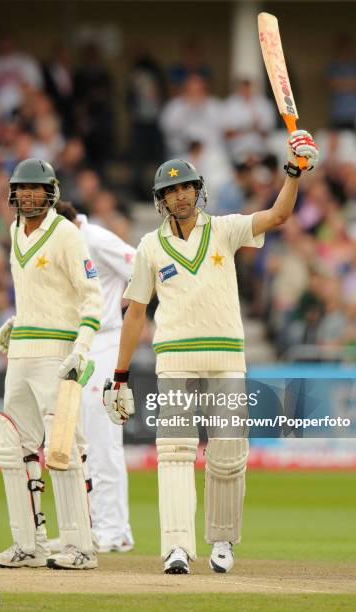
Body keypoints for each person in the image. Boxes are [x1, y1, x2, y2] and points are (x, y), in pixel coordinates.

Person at [103, 130, 318, 574]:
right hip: (175, 359)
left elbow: (278, 215)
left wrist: (294, 172)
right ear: (161, 199)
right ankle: (177, 548)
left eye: (186, 188)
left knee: (227, 452)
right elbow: (136, 313)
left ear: (198, 191)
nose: (180, 196)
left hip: (226, 357)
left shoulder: (223, 229)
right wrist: (120, 374)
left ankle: (222, 542)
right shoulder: (149, 246)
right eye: (171, 190)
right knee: (175, 452)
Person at [0, 158, 102, 570]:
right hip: (21, 355)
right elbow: (43, 294)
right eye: (22, 189)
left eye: (37, 188)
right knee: (10, 448)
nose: (29, 195)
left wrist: (82, 348)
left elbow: (91, 296)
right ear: (13, 194)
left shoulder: (66, 234)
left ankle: (80, 548)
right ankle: (28, 545)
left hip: (57, 354)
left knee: (62, 448)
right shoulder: (16, 231)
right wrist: (18, 322)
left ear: (51, 192)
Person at [54, 201, 136, 553]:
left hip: (104, 341)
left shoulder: (97, 239)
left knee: (103, 437)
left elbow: (141, 268)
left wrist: (121, 309)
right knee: (79, 440)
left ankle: (115, 530)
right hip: (78, 345)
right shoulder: (64, 241)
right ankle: (88, 527)